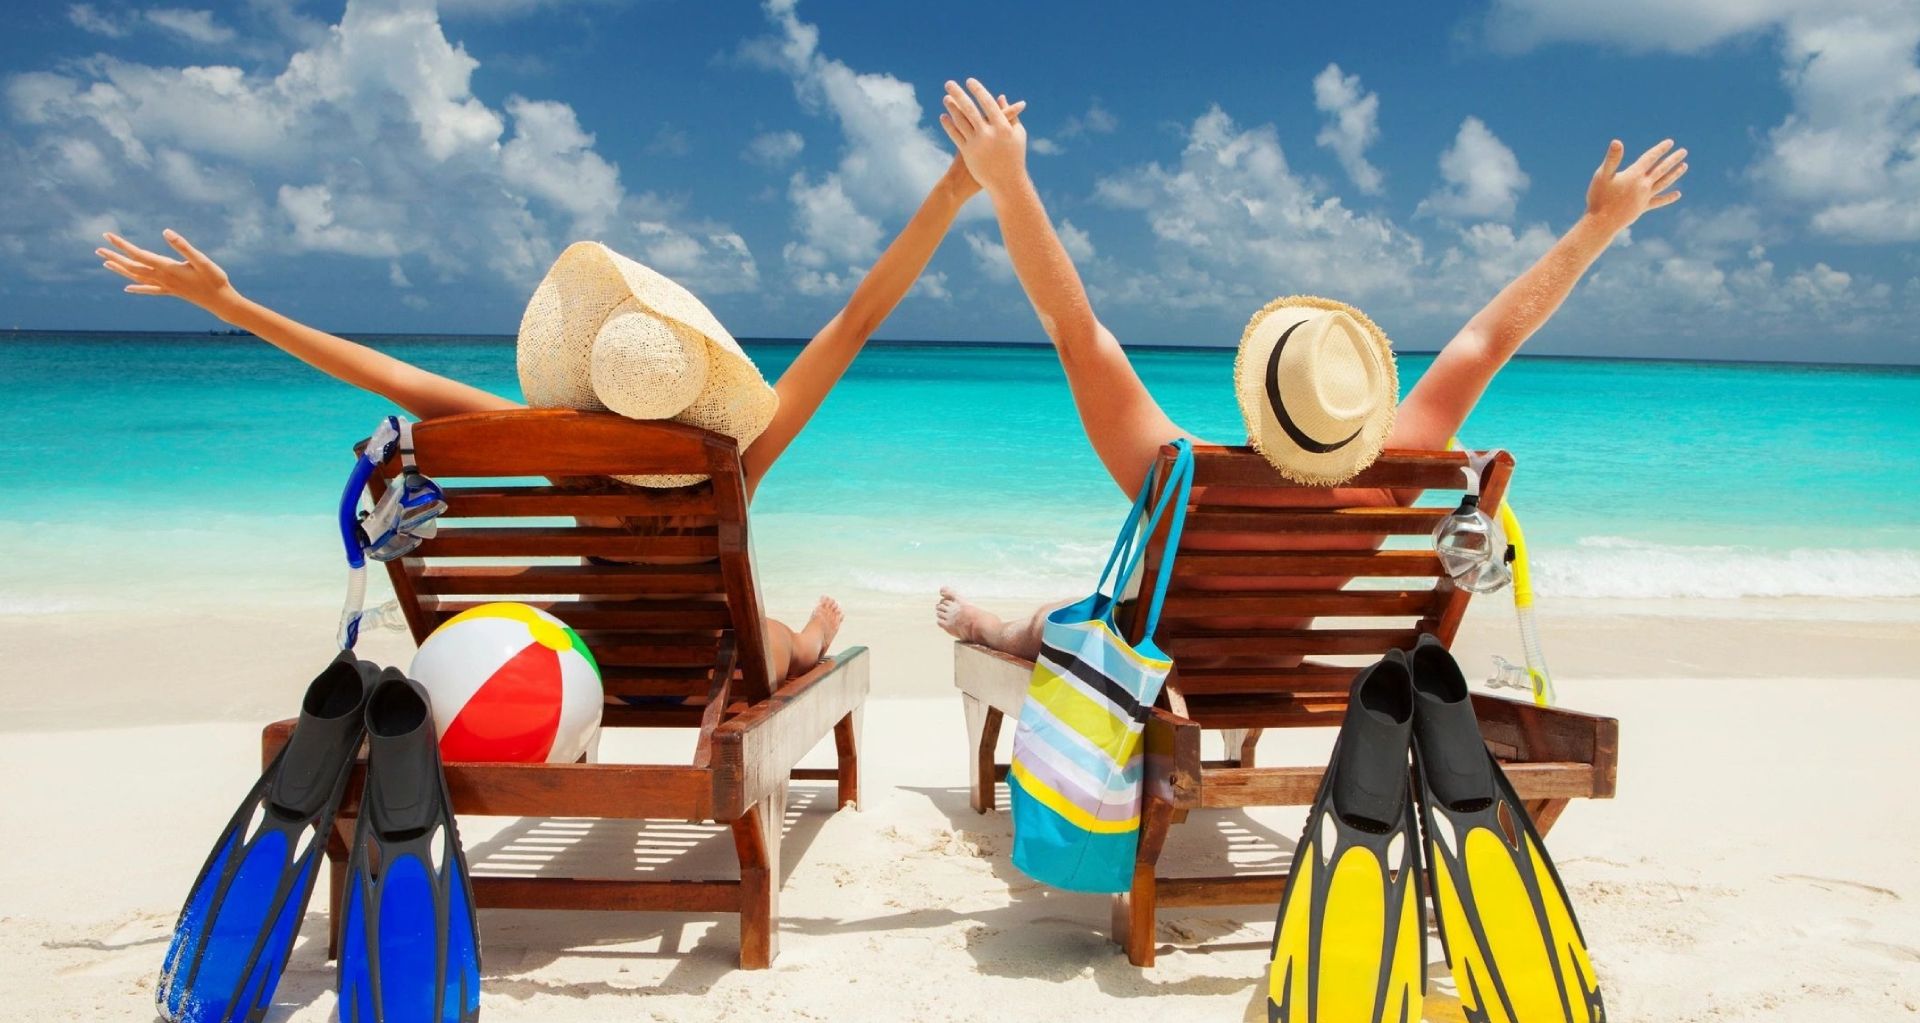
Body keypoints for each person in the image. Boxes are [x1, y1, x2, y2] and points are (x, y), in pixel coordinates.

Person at [94, 95, 1026, 681]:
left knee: (748, 627)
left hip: (597, 656)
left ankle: (792, 637)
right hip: (711, 660)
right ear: (701, 387)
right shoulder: (734, 457)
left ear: (593, 374)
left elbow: (390, 376)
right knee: (776, 637)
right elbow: (854, 323)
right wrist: (951, 192)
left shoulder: (552, 440)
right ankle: (810, 643)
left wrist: (237, 305)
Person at [929, 76, 1687, 659]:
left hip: (1163, 665)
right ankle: (1001, 622)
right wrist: (1599, 226)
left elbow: (1074, 334)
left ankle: (991, 626)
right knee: (1091, 610)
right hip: (1277, 659)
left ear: (1259, 394)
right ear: (1361, 412)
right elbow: (1483, 345)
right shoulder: (1391, 479)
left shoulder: (1180, 481)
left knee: (1053, 621)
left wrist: (1008, 180)